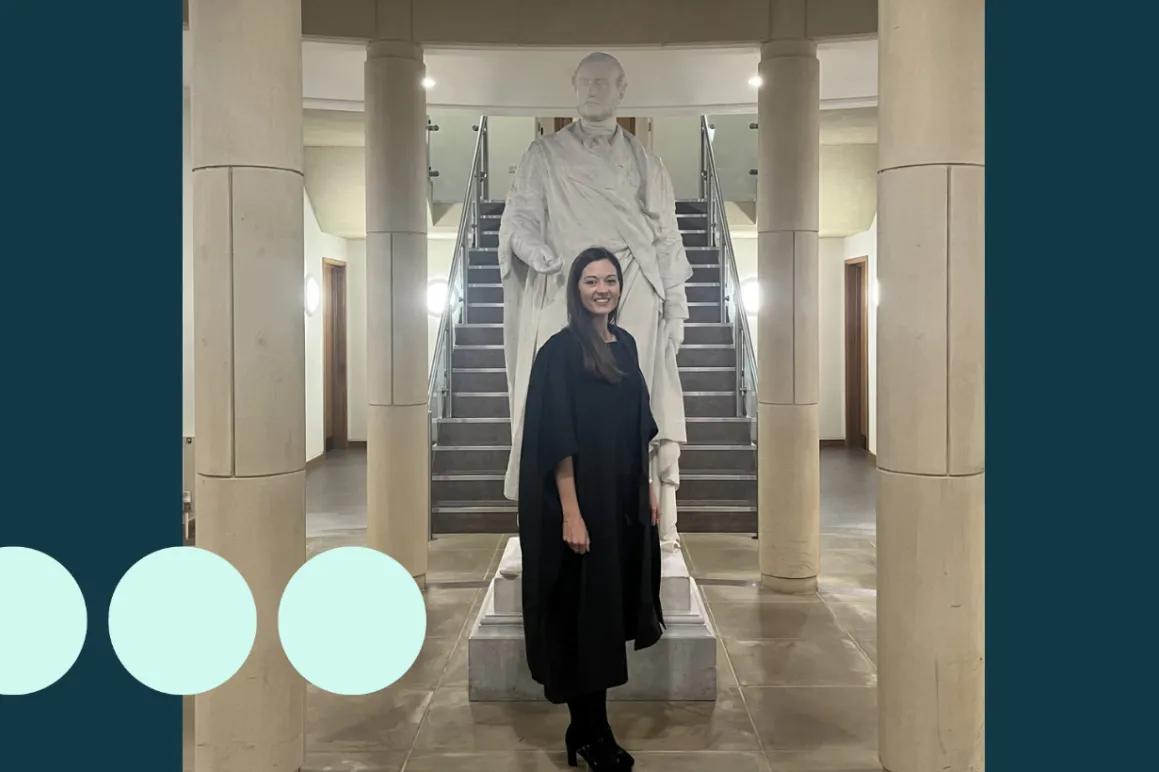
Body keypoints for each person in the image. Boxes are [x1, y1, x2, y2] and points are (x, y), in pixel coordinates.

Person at [499, 52, 692, 553]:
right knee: (552, 399)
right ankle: (549, 518)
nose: (592, 90)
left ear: (622, 90)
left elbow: (667, 238)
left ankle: (648, 517)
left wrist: (676, 307)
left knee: (637, 404)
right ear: (573, 86)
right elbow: (519, 220)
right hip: (562, 282)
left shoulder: (647, 162)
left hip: (635, 286)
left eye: (603, 82)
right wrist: (535, 251)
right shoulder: (543, 155)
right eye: (585, 81)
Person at [518, 247, 664, 770]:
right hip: (581, 504)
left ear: (620, 288)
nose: (601, 289)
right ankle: (592, 732)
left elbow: (638, 426)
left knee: (605, 616)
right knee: (583, 620)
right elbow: (557, 438)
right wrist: (572, 513)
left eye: (609, 280)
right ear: (575, 290)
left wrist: (647, 487)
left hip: (620, 501)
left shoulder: (625, 345)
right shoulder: (560, 352)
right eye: (590, 281)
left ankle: (584, 731)